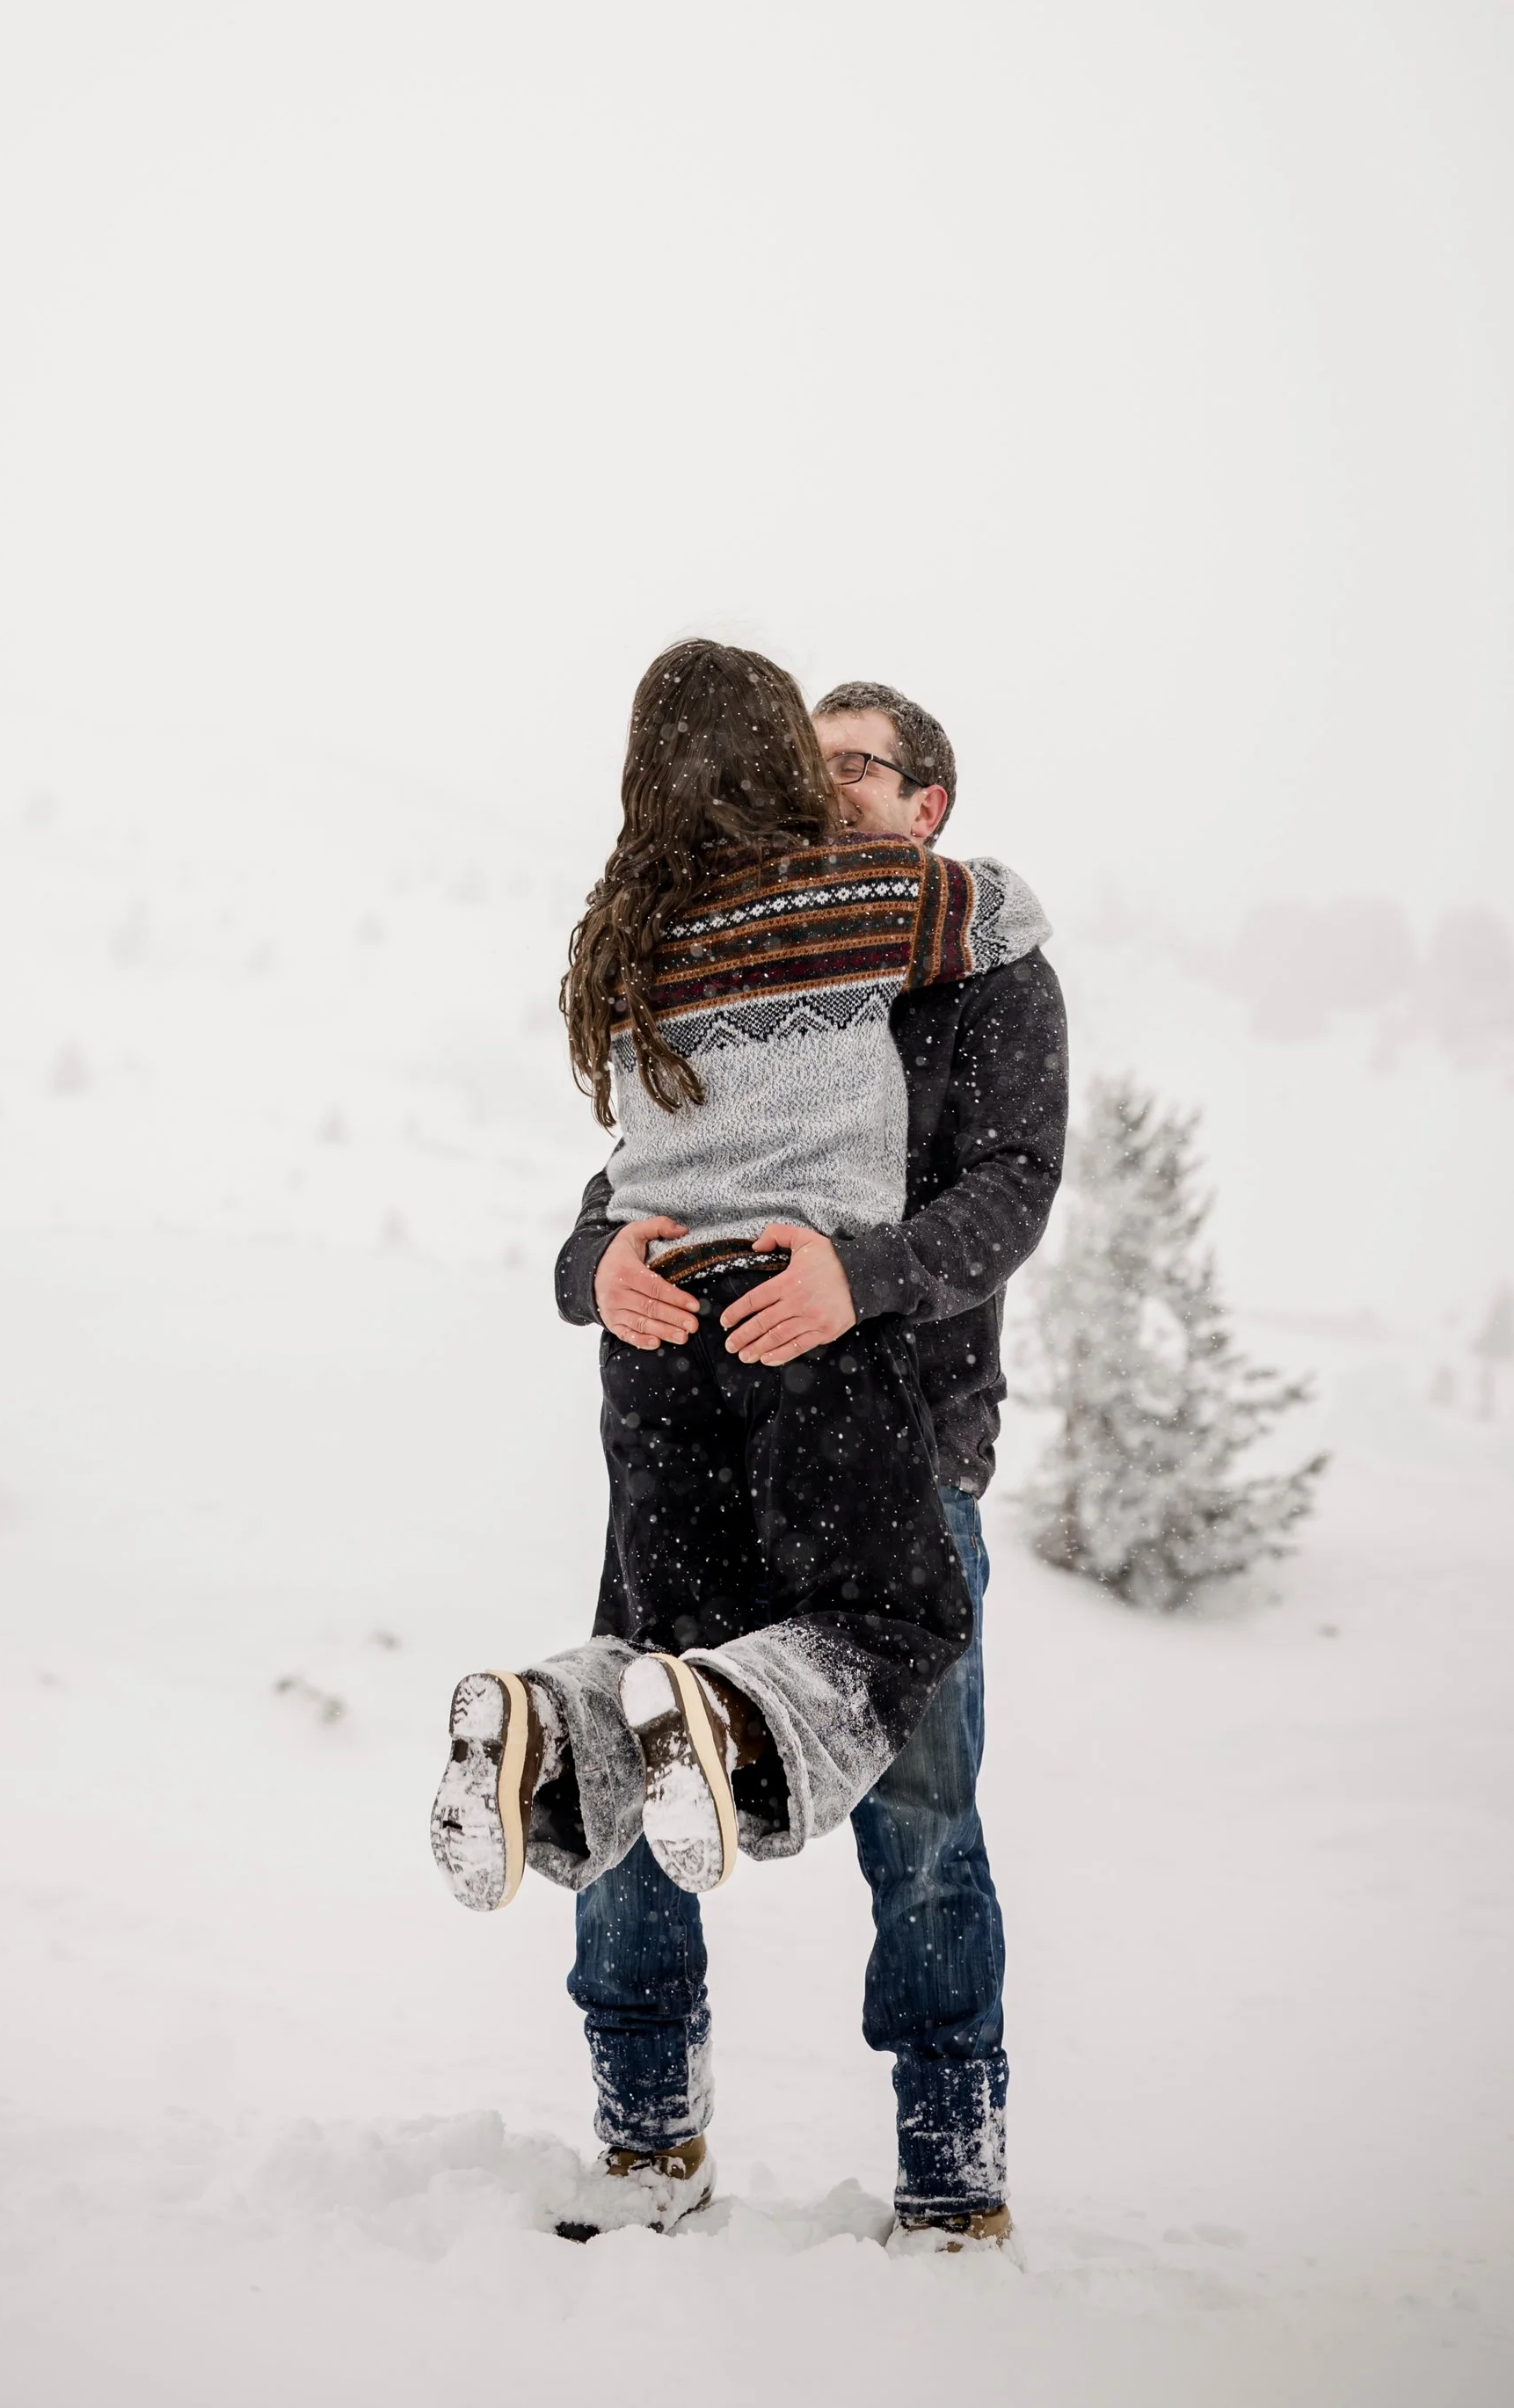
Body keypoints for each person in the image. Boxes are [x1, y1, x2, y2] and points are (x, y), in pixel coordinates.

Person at [427, 644, 1063, 2240]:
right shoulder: (741, 926)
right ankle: (647, 2138)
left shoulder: (976, 971)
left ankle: (952, 2174)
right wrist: (600, 1265)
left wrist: (858, 1275)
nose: (825, 779)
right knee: (650, 1729)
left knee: (921, 1828)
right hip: (698, 1386)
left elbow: (1012, 1191)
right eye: (811, 754)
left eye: (859, 764)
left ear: (927, 802)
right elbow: (635, 1166)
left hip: (904, 1436)